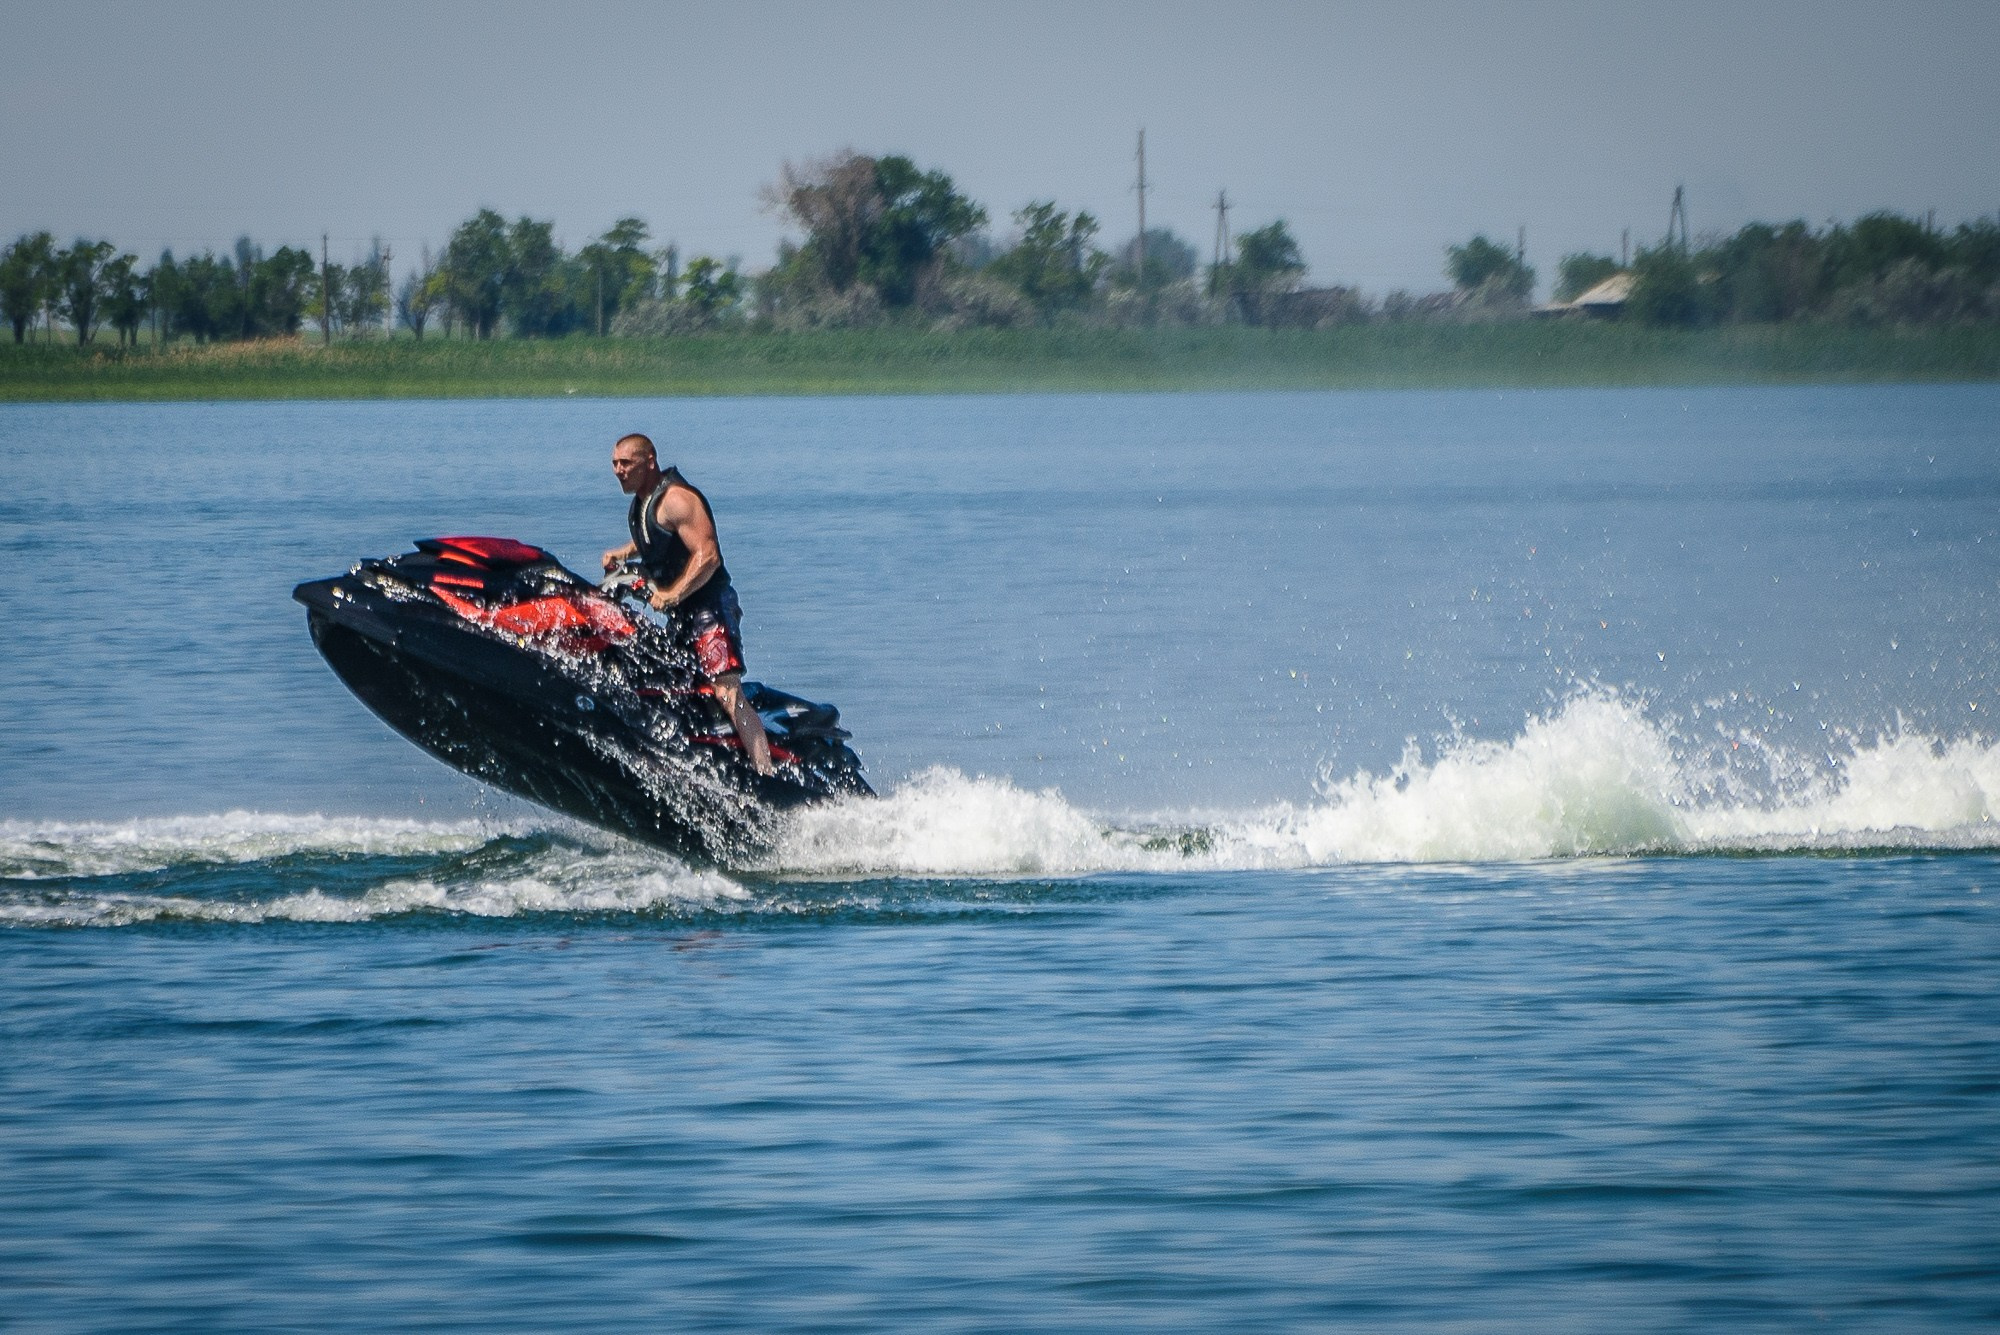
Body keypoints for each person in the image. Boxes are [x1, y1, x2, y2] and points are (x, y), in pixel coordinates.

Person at [602, 433, 774, 776]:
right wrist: (624, 552)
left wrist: (672, 593)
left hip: (710, 608)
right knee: (671, 682)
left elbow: (707, 555)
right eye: (614, 464)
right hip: (682, 615)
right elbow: (659, 537)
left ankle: (765, 772)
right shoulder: (643, 503)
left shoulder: (678, 499)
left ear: (649, 461)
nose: (619, 471)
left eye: (626, 463)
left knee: (726, 691)